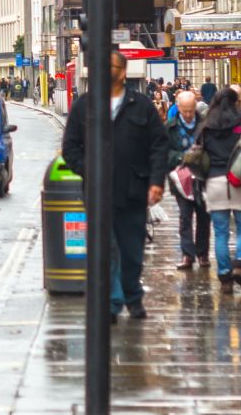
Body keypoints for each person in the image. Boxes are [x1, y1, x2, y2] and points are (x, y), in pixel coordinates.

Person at [61, 50, 171, 320]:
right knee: (105, 249)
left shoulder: (141, 104)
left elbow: (159, 145)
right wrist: (87, 169)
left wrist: (156, 181)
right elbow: (70, 146)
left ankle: (132, 295)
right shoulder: (85, 105)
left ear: (122, 72)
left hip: (133, 189)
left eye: (110, 66)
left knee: (132, 250)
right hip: (98, 192)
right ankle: (112, 302)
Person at [193, 88, 241, 295]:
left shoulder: (206, 126)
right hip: (240, 179)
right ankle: (240, 265)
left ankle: (224, 277)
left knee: (220, 231)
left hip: (214, 181)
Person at [167, 88, 210, 270]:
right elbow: (164, 152)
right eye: (184, 111)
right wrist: (180, 158)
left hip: (201, 176)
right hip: (181, 177)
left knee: (203, 216)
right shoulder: (170, 126)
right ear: (178, 108)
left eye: (191, 110)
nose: (188, 114)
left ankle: (202, 254)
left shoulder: (205, 125)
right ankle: (187, 254)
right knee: (185, 216)